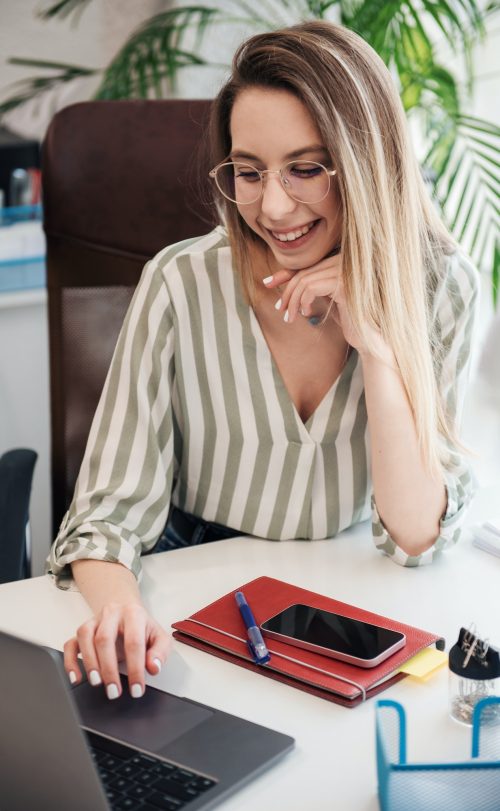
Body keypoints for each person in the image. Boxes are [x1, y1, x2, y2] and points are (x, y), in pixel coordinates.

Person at [48, 21, 479, 700]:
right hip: (193, 604)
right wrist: (119, 609)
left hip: (345, 609)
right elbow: (104, 522)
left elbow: (416, 534)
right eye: (249, 172)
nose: (273, 207)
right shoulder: (181, 282)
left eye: (306, 168)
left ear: (369, 165)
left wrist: (378, 344)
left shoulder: (444, 290)